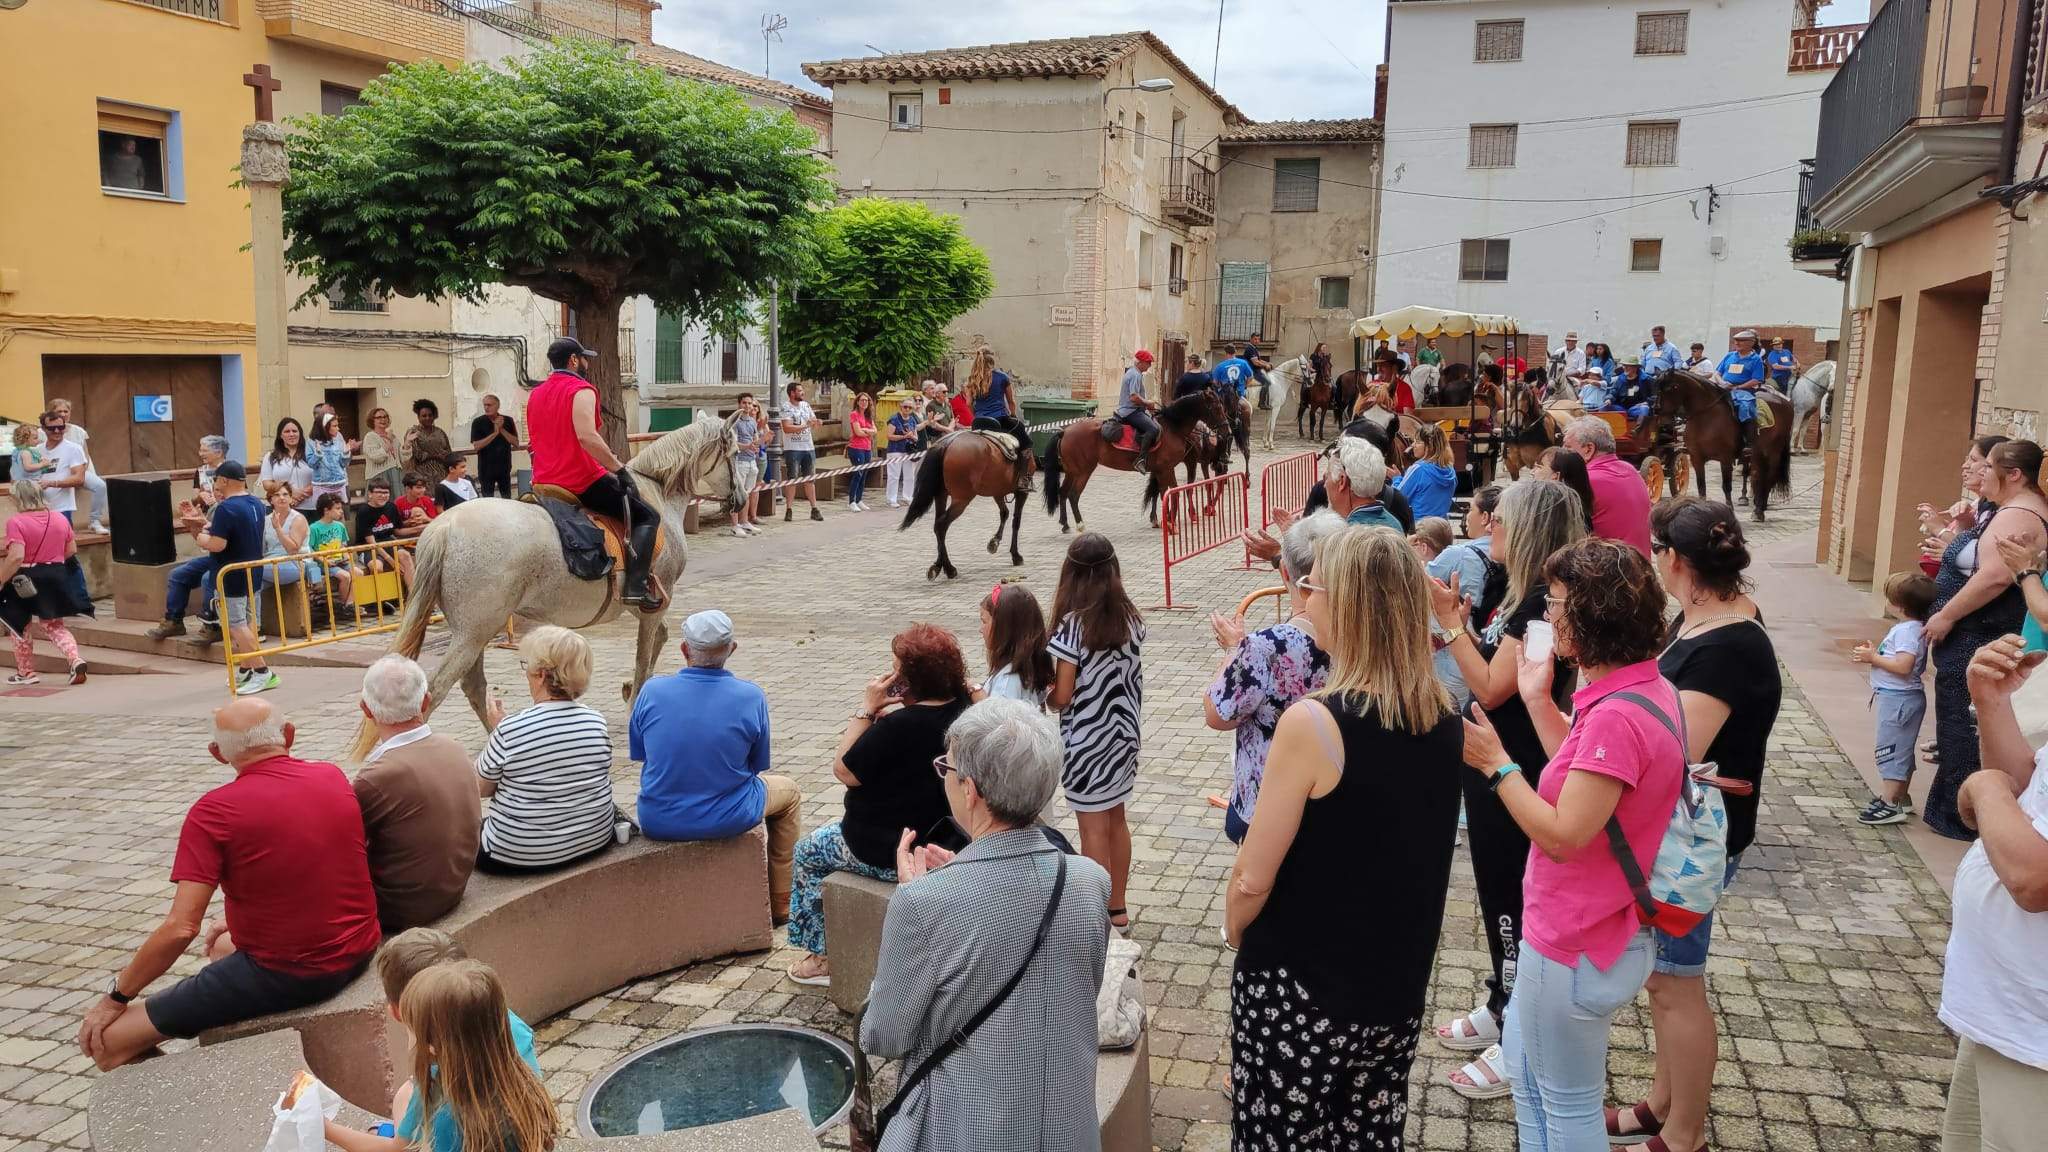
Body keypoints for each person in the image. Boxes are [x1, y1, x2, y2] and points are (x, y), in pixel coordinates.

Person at [1226, 524, 1463, 1149]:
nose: (1304, 600)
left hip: (1300, 989)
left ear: (1350, 604)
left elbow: (1253, 874)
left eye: (1313, 586)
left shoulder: (1315, 723)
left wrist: (1233, 925)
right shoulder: (1441, 713)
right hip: (1393, 987)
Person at [1460, 538, 1688, 1150]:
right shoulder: (1641, 689)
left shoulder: (1617, 715)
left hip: (1578, 940)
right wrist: (1537, 698)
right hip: (1593, 931)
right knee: (1536, 1086)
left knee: (1561, 1105)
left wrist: (1497, 764)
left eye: (1557, 603)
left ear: (1593, 616)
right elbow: (1587, 779)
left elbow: (1565, 833)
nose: (1547, 615)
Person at [74, 699, 381, 1070]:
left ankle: (198, 1095)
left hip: (291, 973)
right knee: (220, 945)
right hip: (360, 948)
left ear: (218, 754)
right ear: (289, 735)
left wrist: (117, 996)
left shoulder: (213, 813)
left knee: (106, 1043)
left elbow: (180, 927)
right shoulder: (331, 776)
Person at [860, 697, 1111, 1152]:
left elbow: (883, 1035)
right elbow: (1076, 986)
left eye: (946, 767)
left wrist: (918, 899)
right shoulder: (1090, 880)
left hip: (967, 1126)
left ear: (970, 789)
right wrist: (962, 877)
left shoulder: (923, 903)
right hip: (1066, 1125)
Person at [1611, 497, 1780, 1152]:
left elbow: (1671, 751)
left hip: (1693, 842)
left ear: (1674, 559)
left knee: (1677, 984)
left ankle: (1684, 1135)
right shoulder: (1706, 617)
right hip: (1682, 833)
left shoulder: (1727, 647)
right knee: (1662, 980)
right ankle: (1660, 1103)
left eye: (1656, 553)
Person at [1430, 479, 1584, 1096]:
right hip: (1495, 760)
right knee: (1499, 892)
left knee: (1511, 898)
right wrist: (1464, 626)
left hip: (1513, 765)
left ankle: (1518, 1033)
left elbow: (1492, 685)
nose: (1488, 526)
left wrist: (1447, 627)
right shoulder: (1516, 592)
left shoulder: (1541, 601)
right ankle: (1503, 1001)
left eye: (1499, 520)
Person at [785, 624, 973, 986]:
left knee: (808, 852)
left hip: (886, 849)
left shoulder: (897, 727)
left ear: (908, 680)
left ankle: (821, 957)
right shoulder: (965, 712)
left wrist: (867, 709)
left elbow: (844, 770)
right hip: (950, 843)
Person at [1935, 633, 2048, 1151]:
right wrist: (1992, 703)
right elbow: (2033, 789)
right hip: (2005, 1005)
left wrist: (1984, 789)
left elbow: (2034, 880)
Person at [631, 610, 801, 918]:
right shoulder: (750, 696)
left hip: (659, 817)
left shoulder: (651, 690)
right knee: (789, 793)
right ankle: (782, 902)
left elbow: (641, 754)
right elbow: (757, 765)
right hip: (728, 815)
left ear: (684, 650)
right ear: (731, 649)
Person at [321, 929, 544, 1152]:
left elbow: (398, 1149)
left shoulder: (442, 1108)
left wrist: (325, 1129)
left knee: (404, 1098)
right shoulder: (509, 1028)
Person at [1925, 439, 2048, 839]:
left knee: (1968, 723)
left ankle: (1967, 819)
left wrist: (1947, 614)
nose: (1977, 472)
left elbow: (1995, 577)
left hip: (1983, 630)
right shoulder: (2002, 509)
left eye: (1986, 465)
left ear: (2013, 474)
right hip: (1977, 631)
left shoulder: (2019, 516)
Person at [1204, 510, 1340, 844]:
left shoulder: (1265, 647)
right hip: (1340, 793)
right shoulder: (1369, 630)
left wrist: (1233, 650)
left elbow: (1218, 714)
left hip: (1271, 802)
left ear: (1284, 571)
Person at [1047, 532, 1144, 928]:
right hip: (1123, 737)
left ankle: (1093, 917)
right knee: (1116, 820)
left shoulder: (1072, 627)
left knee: (1092, 830)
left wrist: (1046, 695)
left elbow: (1064, 695)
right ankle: (1117, 907)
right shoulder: (1130, 617)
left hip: (1087, 741)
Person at [526, 337, 662, 605]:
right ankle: (636, 587)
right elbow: (587, 437)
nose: (587, 363)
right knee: (647, 516)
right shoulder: (582, 390)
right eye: (584, 358)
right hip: (579, 481)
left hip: (542, 481)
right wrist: (619, 469)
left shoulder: (535, 394)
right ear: (574, 361)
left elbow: (533, 443)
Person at [474, 625, 618, 874]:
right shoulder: (596, 721)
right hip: (594, 839)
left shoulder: (511, 729)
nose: (525, 675)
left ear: (541, 674)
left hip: (518, 853)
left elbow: (479, 789)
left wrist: (498, 731)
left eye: (526, 667)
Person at [351, 655, 480, 931]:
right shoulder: (454, 747)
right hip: (453, 888)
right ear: (426, 701)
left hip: (400, 909)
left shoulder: (375, 776)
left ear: (366, 709)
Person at [180, 461, 278, 694]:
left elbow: (217, 543)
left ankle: (263, 672)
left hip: (229, 574)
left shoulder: (226, 508)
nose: (214, 484)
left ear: (224, 481)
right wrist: (201, 522)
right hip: (252, 569)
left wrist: (197, 535)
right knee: (249, 621)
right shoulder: (256, 502)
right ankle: (246, 668)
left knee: (235, 624)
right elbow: (231, 530)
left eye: (216, 480)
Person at [1853, 571, 1937, 826]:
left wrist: (1873, 658)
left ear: (1898, 605)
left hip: (1898, 700)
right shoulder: (1909, 628)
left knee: (1890, 750)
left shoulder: (1908, 632)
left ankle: (1890, 803)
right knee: (1901, 748)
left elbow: (1904, 666)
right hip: (1898, 698)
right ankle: (1901, 796)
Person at [144, 436, 233, 641]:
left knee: (207, 578)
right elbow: (202, 539)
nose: (200, 453)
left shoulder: (234, 505)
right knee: (178, 575)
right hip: (213, 547)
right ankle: (173, 621)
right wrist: (193, 521)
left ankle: (213, 626)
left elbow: (220, 543)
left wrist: (203, 529)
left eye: (219, 487)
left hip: (230, 557)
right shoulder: (204, 483)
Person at [1, 477, 87, 685]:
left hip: (26, 578)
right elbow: (72, 550)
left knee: (19, 624)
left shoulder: (16, 522)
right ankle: (75, 659)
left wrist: (2, 579)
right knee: (54, 625)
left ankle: (26, 672)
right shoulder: (59, 518)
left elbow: (16, 556)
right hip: (56, 574)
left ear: (19, 499)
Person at [1428, 485, 1503, 711]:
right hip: (1486, 648)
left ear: (1486, 518)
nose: (1466, 516)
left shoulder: (1458, 555)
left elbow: (1415, 582)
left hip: (1449, 652)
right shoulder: (1507, 557)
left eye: (1471, 509)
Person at [1565, 415, 1653, 555]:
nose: (1563, 453)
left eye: (1568, 448)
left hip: (1609, 569)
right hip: (1640, 564)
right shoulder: (1631, 470)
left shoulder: (1585, 480)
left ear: (1588, 449)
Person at [965, 348, 1032, 493]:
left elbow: (969, 403)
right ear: (993, 360)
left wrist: (976, 415)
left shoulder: (971, 379)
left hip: (979, 422)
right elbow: (1011, 401)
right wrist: (1013, 415)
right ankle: (1023, 478)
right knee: (1026, 443)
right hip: (999, 419)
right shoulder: (1002, 377)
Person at [979, 584, 1054, 706]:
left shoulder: (1008, 681)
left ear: (1003, 628)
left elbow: (998, 720)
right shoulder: (1027, 667)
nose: (980, 629)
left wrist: (976, 693)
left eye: (984, 621)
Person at [43, 399, 108, 533]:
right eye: (59, 411)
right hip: (53, 472)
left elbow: (85, 455)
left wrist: (79, 476)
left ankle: (94, 521)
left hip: (77, 470)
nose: (63, 414)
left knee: (100, 486)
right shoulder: (42, 432)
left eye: (65, 411)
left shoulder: (78, 431)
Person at [1322, 435, 1404, 531]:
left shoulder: (1343, 537)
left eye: (1328, 476)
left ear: (1342, 481)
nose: (1325, 484)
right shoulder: (1394, 524)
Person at [258, 479, 323, 594]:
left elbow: (293, 549)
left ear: (290, 498)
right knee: (252, 586)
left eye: (285, 494)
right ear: (271, 500)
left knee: (252, 571)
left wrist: (278, 528)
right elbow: (263, 549)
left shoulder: (298, 519)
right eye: (277, 495)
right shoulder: (266, 520)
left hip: (295, 562)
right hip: (270, 562)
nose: (281, 498)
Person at [354, 478, 415, 590]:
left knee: (405, 556)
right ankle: (381, 601)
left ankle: (414, 594)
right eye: (378, 492)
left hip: (388, 542)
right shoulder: (364, 511)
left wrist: (421, 528)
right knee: (377, 567)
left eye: (386, 492)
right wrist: (392, 562)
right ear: (370, 494)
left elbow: (398, 531)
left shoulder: (391, 507)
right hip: (368, 547)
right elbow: (371, 542)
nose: (383, 495)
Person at [1715, 330, 1768, 454]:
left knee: (1746, 406)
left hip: (1743, 391)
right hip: (1723, 387)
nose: (1737, 343)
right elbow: (1717, 373)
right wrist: (1722, 382)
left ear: (1751, 343)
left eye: (1741, 341)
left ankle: (1749, 442)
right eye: (1736, 340)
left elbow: (1756, 379)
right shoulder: (1729, 356)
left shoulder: (1755, 360)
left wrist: (1738, 387)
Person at [780, 380, 824, 522]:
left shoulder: (806, 405)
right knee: (792, 479)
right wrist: (806, 425)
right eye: (799, 391)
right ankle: (789, 509)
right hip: (793, 448)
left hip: (808, 447)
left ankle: (814, 508)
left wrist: (818, 422)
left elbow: (814, 422)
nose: (802, 393)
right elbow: (787, 428)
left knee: (810, 479)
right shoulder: (786, 407)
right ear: (792, 393)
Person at [1394, 422, 1457, 520]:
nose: (1413, 445)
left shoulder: (1418, 469)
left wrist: (1396, 478)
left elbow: (1398, 499)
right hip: (1442, 526)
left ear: (1429, 446)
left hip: (1420, 527)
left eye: (1418, 442)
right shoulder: (1450, 470)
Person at [307, 493, 356, 612]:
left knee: (358, 573)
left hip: (341, 561)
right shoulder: (314, 528)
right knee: (345, 576)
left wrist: (345, 555)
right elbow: (310, 548)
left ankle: (349, 604)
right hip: (325, 563)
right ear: (326, 510)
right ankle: (345, 605)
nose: (341, 512)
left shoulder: (340, 526)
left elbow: (343, 544)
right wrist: (324, 560)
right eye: (337, 509)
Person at [468, 393, 520, 499]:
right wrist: (494, 433)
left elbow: (516, 443)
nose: (486, 407)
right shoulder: (478, 422)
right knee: (488, 500)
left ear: (497, 406)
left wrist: (501, 429)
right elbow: (477, 446)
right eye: (485, 405)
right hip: (486, 469)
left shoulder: (508, 420)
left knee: (507, 499)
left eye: (489, 405)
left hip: (504, 468)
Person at [727, 393, 765, 534]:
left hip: (751, 461)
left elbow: (754, 440)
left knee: (747, 493)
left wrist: (760, 441)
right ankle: (735, 525)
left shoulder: (752, 422)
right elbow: (733, 443)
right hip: (739, 461)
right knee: (737, 494)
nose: (747, 406)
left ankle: (744, 522)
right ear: (739, 404)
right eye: (744, 403)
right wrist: (747, 446)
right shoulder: (735, 422)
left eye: (750, 403)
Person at [1537, 446, 1598, 532]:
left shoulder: (1549, 514)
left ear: (1556, 476)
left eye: (1539, 467)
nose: (1533, 472)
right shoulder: (1581, 513)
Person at [260, 418, 313, 514]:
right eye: (287, 431)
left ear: (300, 433)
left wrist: (301, 495)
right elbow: (266, 483)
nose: (291, 434)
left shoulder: (311, 455)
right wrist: (290, 492)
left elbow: (320, 478)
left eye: (294, 431)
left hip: (310, 508)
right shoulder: (271, 456)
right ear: (280, 435)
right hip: (281, 508)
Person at [306, 411, 356, 510]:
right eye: (335, 426)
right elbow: (311, 464)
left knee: (339, 518)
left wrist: (346, 453)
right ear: (325, 427)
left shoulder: (338, 439)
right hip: (322, 486)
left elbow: (343, 464)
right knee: (324, 516)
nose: (338, 428)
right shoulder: (312, 441)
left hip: (339, 484)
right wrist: (318, 454)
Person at [1115, 348, 1160, 457]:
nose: (1149, 365)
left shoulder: (1133, 372)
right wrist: (1148, 403)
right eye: (1148, 363)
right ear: (1140, 362)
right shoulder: (1135, 375)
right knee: (1153, 429)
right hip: (1130, 412)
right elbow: (1134, 397)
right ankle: (1141, 459)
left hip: (1132, 410)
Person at [400, 399, 452, 492]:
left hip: (441, 474)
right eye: (424, 416)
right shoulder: (413, 432)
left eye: (430, 415)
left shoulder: (440, 432)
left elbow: (448, 451)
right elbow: (418, 455)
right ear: (418, 417)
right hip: (421, 474)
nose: (427, 418)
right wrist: (436, 456)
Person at [884, 394, 920, 509]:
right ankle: (891, 498)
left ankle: (908, 497)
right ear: (901, 406)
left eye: (910, 407)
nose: (907, 409)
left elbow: (916, 437)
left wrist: (911, 436)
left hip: (909, 450)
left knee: (910, 475)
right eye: (905, 407)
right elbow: (889, 436)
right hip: (895, 450)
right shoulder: (894, 419)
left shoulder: (912, 420)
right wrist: (904, 437)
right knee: (894, 475)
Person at [363, 406, 403, 496]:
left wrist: (407, 444)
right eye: (379, 417)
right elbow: (376, 458)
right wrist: (388, 442)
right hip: (379, 476)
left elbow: (402, 458)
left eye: (385, 417)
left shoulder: (393, 436)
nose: (383, 419)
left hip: (396, 475)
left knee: (395, 505)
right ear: (372, 420)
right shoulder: (370, 437)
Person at [1609, 355, 1656, 422]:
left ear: (1635, 367)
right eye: (1624, 365)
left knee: (1644, 409)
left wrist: (1647, 402)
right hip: (1622, 408)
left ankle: (1638, 430)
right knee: (1605, 407)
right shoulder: (1620, 378)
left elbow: (1655, 395)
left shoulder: (1646, 379)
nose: (1625, 368)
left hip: (1637, 408)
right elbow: (1614, 391)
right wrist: (1609, 399)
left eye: (1628, 366)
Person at [918, 379, 958, 449]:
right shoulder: (931, 406)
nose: (946, 394)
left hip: (949, 435)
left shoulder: (948, 404)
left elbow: (952, 419)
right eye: (944, 392)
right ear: (937, 393)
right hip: (937, 438)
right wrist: (947, 429)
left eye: (947, 391)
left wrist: (949, 429)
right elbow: (933, 423)